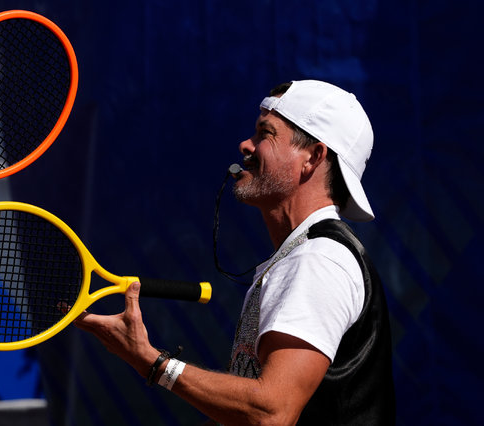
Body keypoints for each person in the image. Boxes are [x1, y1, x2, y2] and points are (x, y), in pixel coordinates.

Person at [74, 80, 396, 425]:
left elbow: (271, 412)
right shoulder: (305, 255)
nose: (246, 144)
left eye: (265, 133)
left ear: (312, 157)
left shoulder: (318, 260)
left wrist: (152, 362)